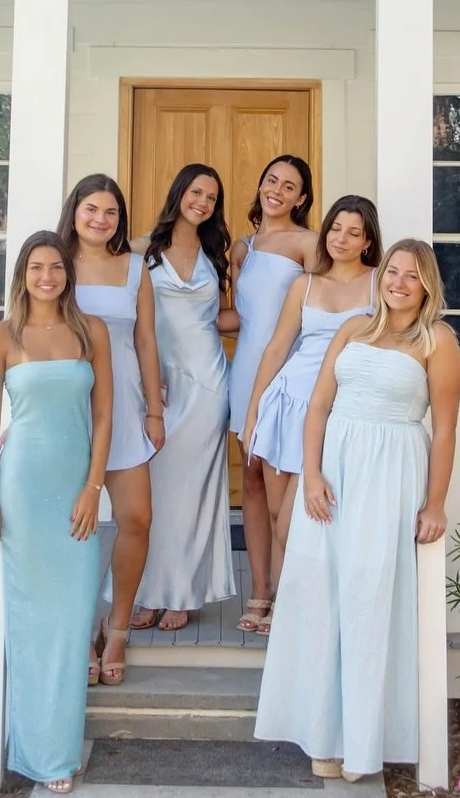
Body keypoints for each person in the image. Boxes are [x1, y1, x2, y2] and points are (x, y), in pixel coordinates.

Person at [255, 238, 460, 781]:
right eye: (391, 271)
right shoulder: (353, 329)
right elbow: (319, 404)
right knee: (321, 592)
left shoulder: (438, 342)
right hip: (334, 475)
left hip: (392, 476)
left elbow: (444, 432)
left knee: (370, 597)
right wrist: (312, 473)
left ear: (427, 285)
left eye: (410, 276)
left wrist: (435, 502)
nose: (397, 282)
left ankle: (363, 740)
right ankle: (322, 733)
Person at [0, 232, 112, 795]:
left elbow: (104, 419)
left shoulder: (91, 332)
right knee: (31, 620)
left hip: (75, 489)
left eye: (56, 267)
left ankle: (57, 741)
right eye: (37, 268)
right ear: (23, 275)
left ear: (67, 274)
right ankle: (43, 753)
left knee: (73, 617)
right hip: (23, 491)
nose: (48, 277)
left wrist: (93, 486)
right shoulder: (1, 337)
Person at [241, 194, 381, 598]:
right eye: (335, 228)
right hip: (286, 404)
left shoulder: (378, 282)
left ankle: (306, 612)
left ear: (367, 241)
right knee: (274, 515)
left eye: (353, 232)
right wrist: (253, 416)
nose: (341, 238)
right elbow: (276, 349)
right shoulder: (304, 284)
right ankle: (284, 612)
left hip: (335, 412)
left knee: (297, 523)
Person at [58, 174, 165, 686]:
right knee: (70, 525)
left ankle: (116, 626)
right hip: (68, 403)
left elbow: (146, 340)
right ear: (74, 211)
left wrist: (154, 411)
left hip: (123, 405)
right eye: (91, 209)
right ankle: (78, 630)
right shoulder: (55, 263)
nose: (101, 220)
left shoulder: (134, 267)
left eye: (111, 213)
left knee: (137, 517)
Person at [129, 163, 235, 630]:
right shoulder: (139, 251)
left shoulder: (219, 256)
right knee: (153, 491)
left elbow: (232, 317)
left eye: (212, 198)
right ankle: (148, 592)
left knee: (193, 494)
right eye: (197, 192)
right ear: (180, 193)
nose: (203, 202)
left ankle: (183, 593)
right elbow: (128, 321)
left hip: (210, 383)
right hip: (159, 386)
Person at [226, 155, 316, 635]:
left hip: (290, 376)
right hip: (246, 372)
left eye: (289, 185)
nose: (276, 190)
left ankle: (289, 592)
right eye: (270, 180)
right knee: (253, 484)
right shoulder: (242, 249)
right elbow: (241, 317)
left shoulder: (309, 243)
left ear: (302, 198)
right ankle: (259, 590)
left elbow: (325, 304)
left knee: (287, 491)